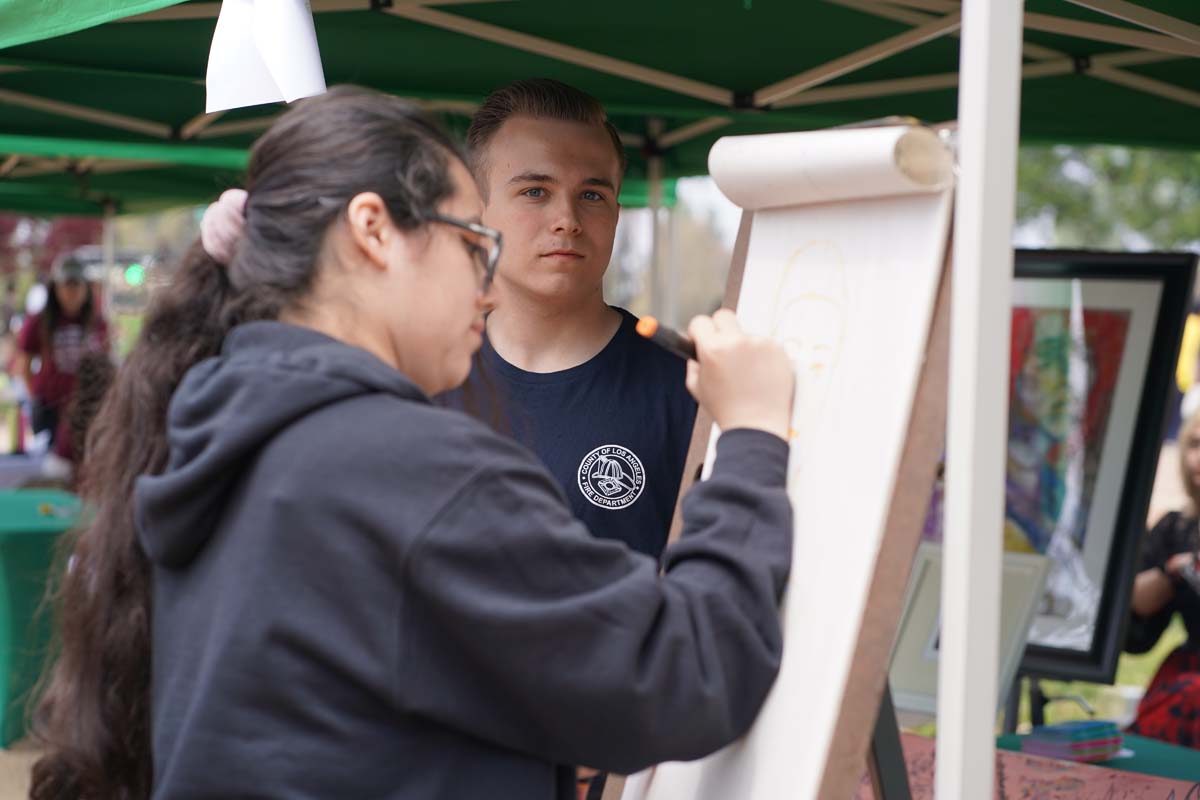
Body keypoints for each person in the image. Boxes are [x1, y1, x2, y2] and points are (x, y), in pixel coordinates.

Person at [31, 86, 796, 800]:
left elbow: (365, 711)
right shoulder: (403, 463)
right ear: (373, 231)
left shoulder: (228, 424)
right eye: (471, 244)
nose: (485, 285)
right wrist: (754, 432)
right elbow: (684, 674)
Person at [439, 78, 698, 560]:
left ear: (616, 212)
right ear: (477, 212)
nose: (568, 219)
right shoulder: (424, 380)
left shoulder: (688, 387)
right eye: (536, 191)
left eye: (592, 195)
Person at [1125, 409, 1200, 748]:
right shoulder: (1177, 528)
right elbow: (1137, 604)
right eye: (1194, 444)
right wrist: (1178, 569)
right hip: (1190, 674)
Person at [14, 257, 109, 461]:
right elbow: (24, 364)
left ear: (86, 289)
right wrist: (36, 397)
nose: (71, 292)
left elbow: (105, 362)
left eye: (77, 286)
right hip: (51, 409)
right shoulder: (39, 321)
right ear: (56, 289)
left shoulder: (98, 322)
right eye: (67, 286)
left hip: (87, 410)